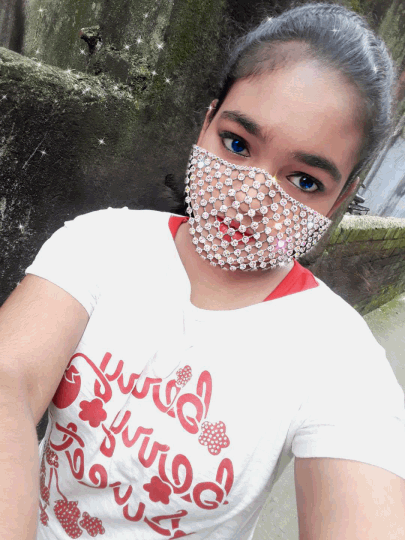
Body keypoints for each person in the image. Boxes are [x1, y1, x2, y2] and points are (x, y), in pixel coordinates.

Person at [0, 2, 405, 539]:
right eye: (237, 144)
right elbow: (9, 379)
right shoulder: (102, 243)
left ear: (340, 198)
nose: (250, 199)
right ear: (207, 122)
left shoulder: (338, 356)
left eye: (304, 180)